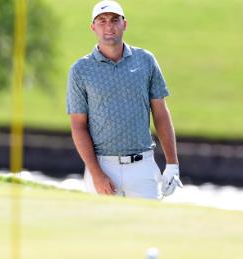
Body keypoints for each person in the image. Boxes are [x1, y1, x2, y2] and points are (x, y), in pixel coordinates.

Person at [66, 0, 183, 199]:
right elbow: (78, 126)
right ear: (93, 27)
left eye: (114, 20)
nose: (108, 26)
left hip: (143, 167)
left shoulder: (145, 60)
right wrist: (96, 174)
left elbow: (161, 113)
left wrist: (172, 165)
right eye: (101, 21)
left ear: (124, 24)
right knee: (104, 229)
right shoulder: (80, 70)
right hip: (103, 167)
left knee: (147, 228)